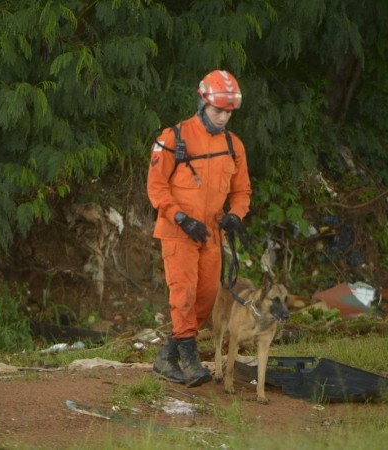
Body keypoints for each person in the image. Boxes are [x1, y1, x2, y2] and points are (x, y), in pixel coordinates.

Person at [147, 70, 252, 387]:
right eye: (217, 111)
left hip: (210, 234)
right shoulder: (173, 139)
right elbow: (156, 187)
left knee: (205, 301)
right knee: (184, 297)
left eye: (228, 113)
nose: (222, 118)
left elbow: (242, 191)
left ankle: (167, 357)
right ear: (203, 103)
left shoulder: (234, 146)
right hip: (178, 231)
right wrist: (180, 217)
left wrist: (235, 215)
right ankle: (191, 362)